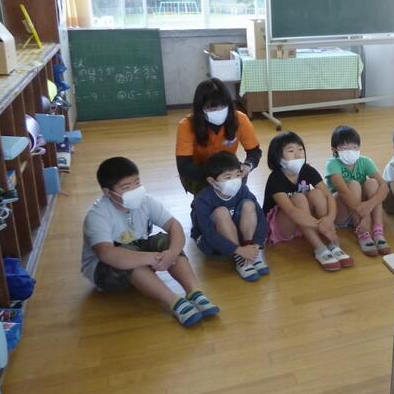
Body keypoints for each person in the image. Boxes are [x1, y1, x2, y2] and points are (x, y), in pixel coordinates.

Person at [81, 157, 220, 327]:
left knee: (167, 241)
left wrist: (171, 253)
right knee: (129, 258)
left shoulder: (145, 201)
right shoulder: (97, 216)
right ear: (108, 192)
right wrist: (154, 258)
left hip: (138, 250)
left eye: (137, 182)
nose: (134, 190)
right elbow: (107, 254)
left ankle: (195, 292)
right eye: (126, 187)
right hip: (104, 270)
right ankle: (174, 302)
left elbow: (174, 226)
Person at [263, 131, 353, 271]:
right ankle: (319, 248)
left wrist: (329, 219)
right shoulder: (275, 179)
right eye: (291, 151)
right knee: (298, 197)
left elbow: (328, 196)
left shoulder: (307, 170)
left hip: (306, 223)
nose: (298, 154)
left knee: (317, 193)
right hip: (282, 227)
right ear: (277, 156)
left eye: (300, 149)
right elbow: (291, 212)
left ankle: (332, 243)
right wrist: (320, 226)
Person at [191, 151, 268, 282]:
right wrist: (238, 250)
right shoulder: (202, 199)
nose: (235, 181)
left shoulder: (242, 190)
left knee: (249, 205)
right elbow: (209, 234)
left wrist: (257, 244)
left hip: (238, 235)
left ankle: (251, 250)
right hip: (212, 243)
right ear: (212, 181)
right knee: (221, 212)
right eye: (228, 177)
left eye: (237, 175)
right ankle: (240, 258)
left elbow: (260, 216)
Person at [176, 78, 261, 194]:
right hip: (198, 172)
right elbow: (184, 167)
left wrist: (248, 165)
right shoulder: (186, 125)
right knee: (208, 196)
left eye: (223, 106)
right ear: (200, 108)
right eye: (212, 108)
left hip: (227, 169)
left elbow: (254, 151)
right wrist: (216, 176)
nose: (219, 111)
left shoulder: (240, 119)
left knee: (237, 192)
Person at [325, 125, 390, 256]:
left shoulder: (365, 161)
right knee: (353, 185)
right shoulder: (332, 164)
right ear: (334, 150)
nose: (350, 151)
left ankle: (378, 230)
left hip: (363, 209)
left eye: (354, 147)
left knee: (372, 183)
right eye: (344, 148)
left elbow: (384, 186)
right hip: (342, 212)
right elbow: (344, 192)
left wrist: (369, 205)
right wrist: (366, 217)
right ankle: (362, 232)